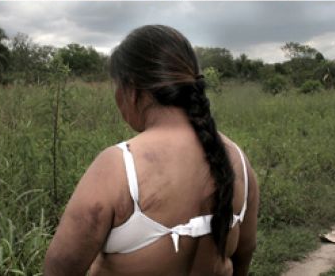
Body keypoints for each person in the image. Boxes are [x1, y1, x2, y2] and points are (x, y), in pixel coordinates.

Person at [45, 25, 259, 276]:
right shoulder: (237, 160)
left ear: (132, 90)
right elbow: (244, 255)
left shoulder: (117, 167)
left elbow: (59, 269)